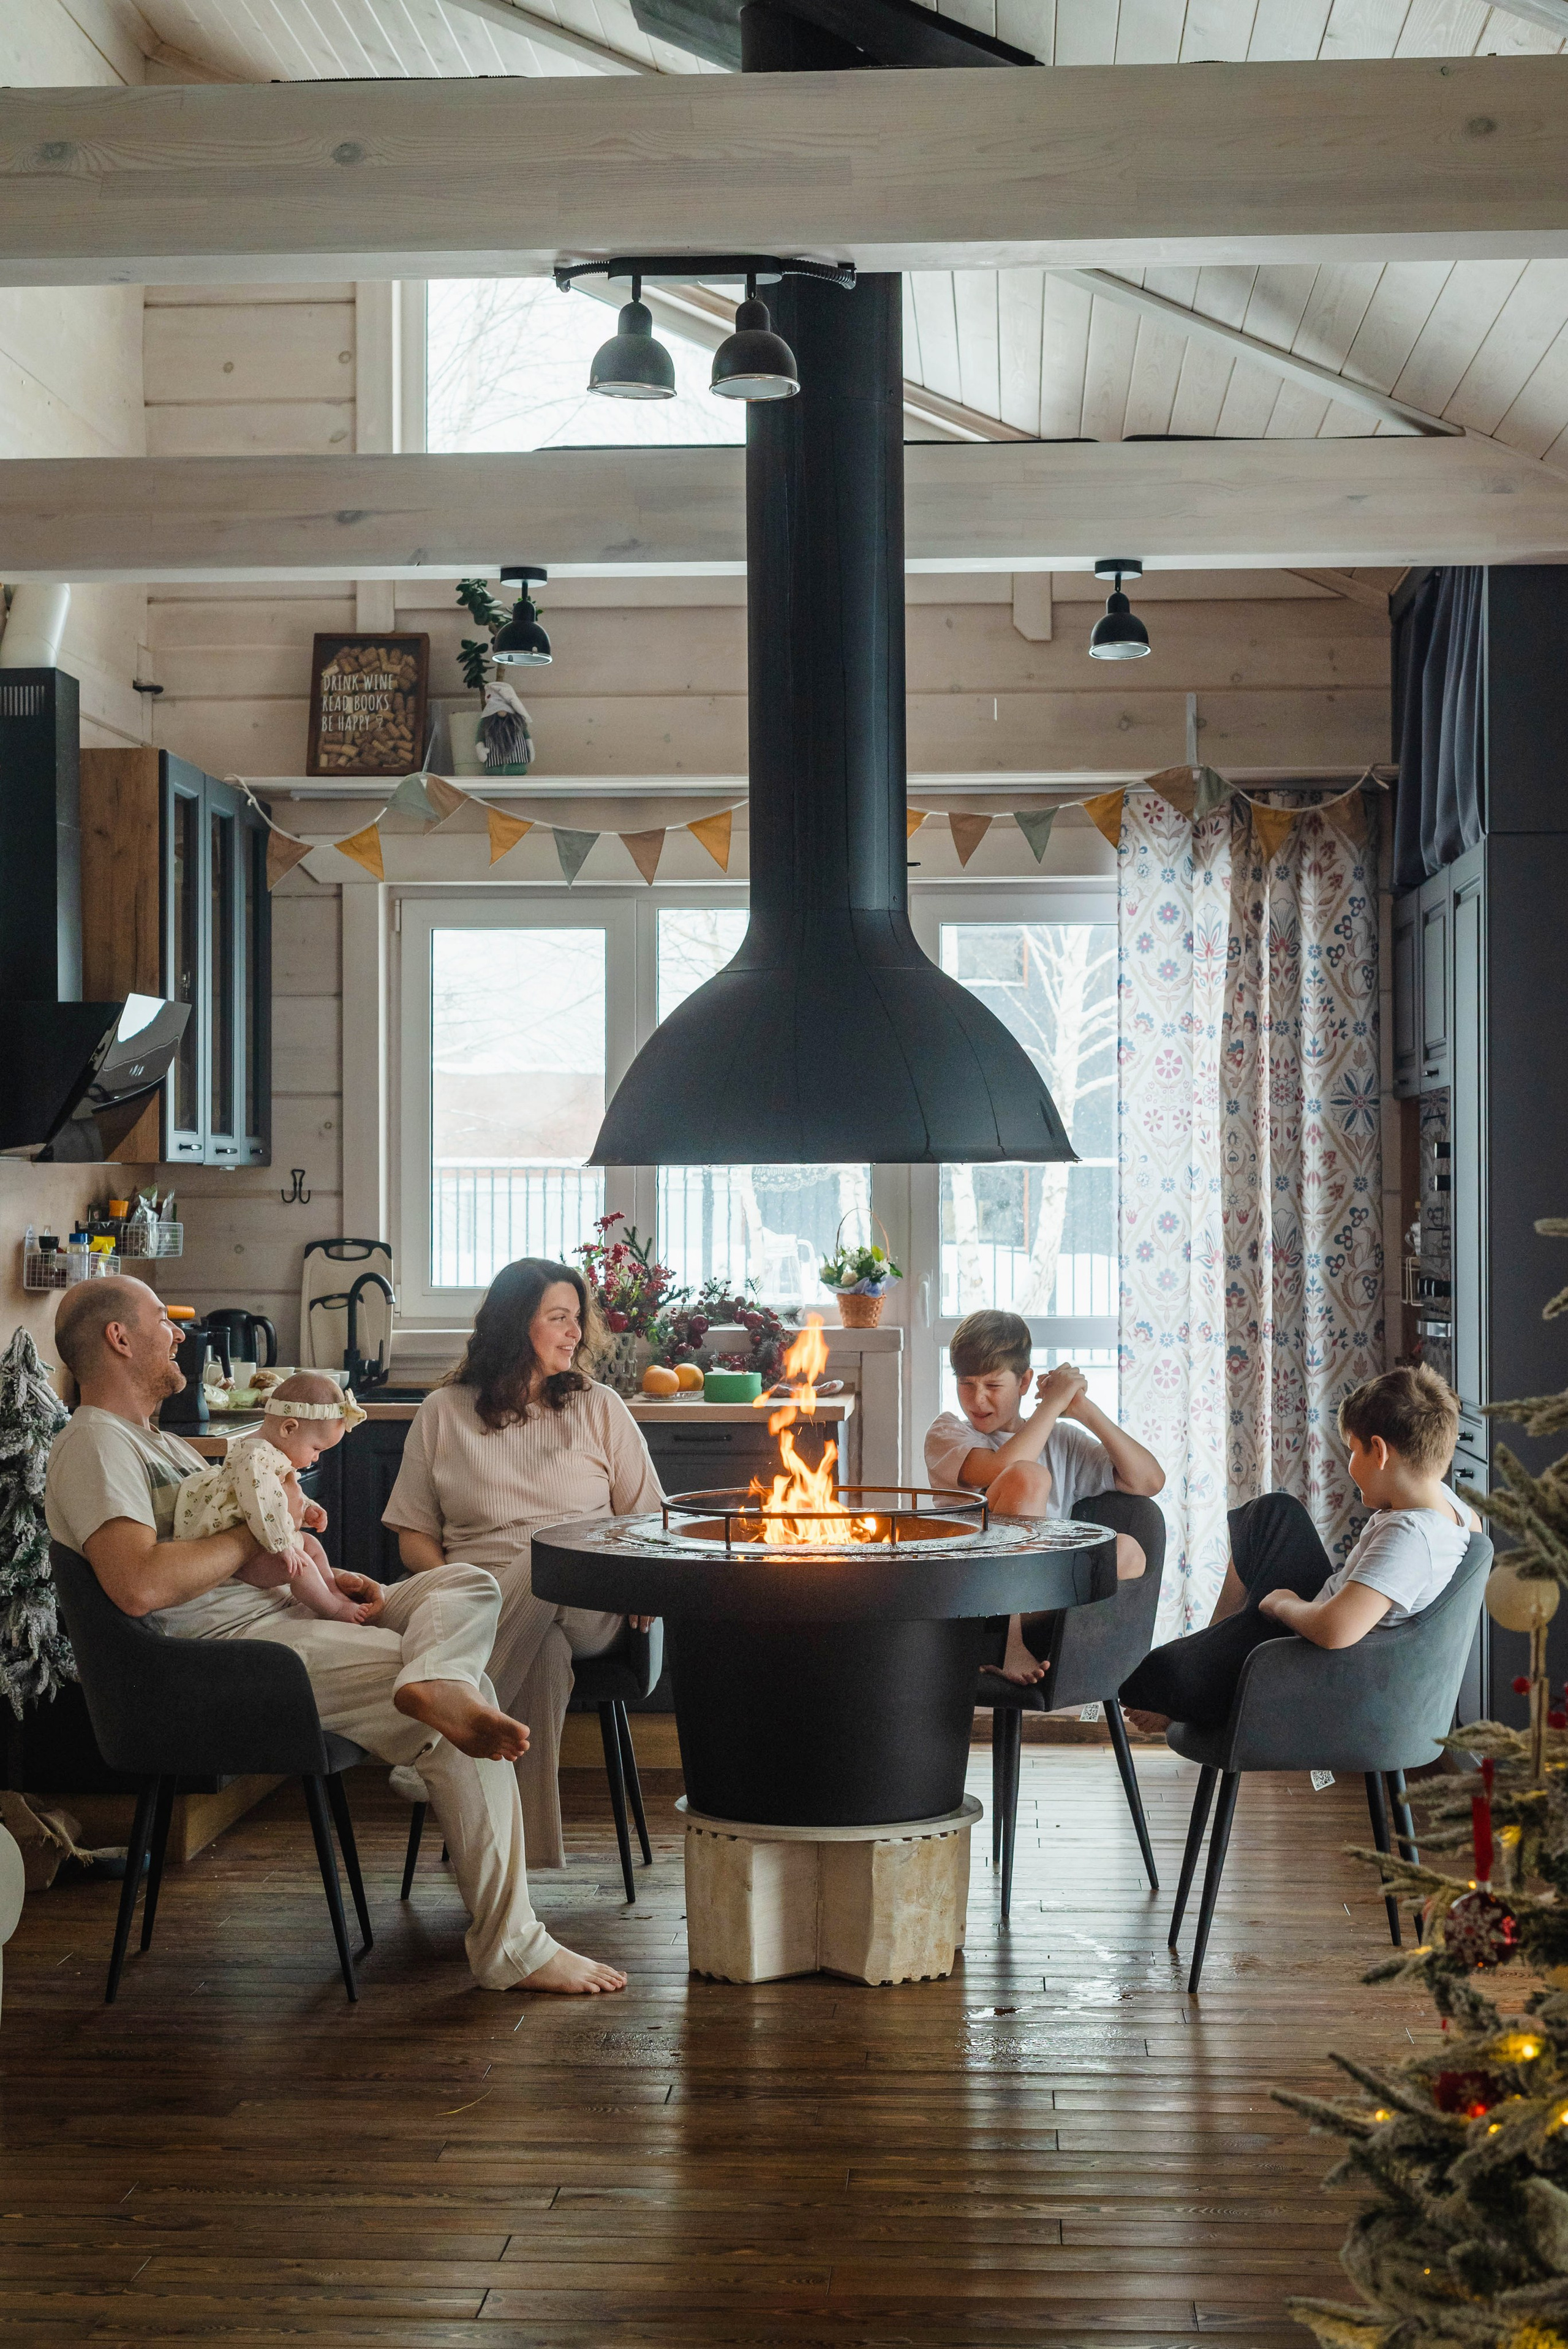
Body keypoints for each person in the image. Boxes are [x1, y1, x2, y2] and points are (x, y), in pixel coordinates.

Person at [43, 1275, 626, 1997]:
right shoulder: (95, 1444)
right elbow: (139, 1585)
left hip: (281, 1618)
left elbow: (233, 1563)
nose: (180, 1333)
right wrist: (254, 1536)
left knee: (465, 1584)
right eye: (163, 1319)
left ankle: (434, 1679)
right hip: (235, 1658)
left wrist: (325, 1579)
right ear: (119, 1339)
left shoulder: (159, 1444)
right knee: (466, 1700)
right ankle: (513, 1944)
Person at [383, 1257, 663, 1871]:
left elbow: (648, 1517)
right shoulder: (443, 1411)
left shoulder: (600, 1406)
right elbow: (414, 1536)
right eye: (558, 1318)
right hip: (475, 1604)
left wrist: (644, 1578)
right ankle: (514, 1877)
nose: (575, 1334)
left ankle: (433, 1735)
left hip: (592, 1601)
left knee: (550, 1559)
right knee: (543, 1654)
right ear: (516, 1326)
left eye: (576, 1320)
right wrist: (445, 1589)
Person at [1119, 1363, 1481, 1735]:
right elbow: (1476, 1532)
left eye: (1353, 1451)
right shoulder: (1449, 1508)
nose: (1350, 1463)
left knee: (1154, 1678)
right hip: (1317, 1618)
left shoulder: (1408, 1538)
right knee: (1274, 1512)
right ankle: (1216, 1650)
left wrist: (1282, 1604)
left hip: (1313, 1658)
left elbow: (1335, 1630)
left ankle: (1208, 1678)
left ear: (1379, 1452)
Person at [924, 1310, 1165, 1686]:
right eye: (966, 1383)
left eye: (993, 1385)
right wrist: (1051, 1405)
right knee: (1028, 1477)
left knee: (1128, 1550)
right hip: (978, 1603)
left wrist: (1082, 1407)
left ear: (1024, 1382)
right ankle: (1007, 1643)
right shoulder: (948, 1433)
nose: (978, 1398)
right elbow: (1006, 1466)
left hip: (1048, 1602)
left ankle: (1056, 1645)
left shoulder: (1061, 1442)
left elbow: (1149, 1480)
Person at [174, 1372, 372, 1623]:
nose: (316, 1459)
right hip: (240, 1557)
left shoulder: (269, 1454)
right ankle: (332, 1609)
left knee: (312, 1546)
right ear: (289, 1428)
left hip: (260, 1538)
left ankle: (331, 1589)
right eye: (316, 1449)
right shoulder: (256, 1458)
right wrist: (283, 1544)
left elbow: (276, 1496)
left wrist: (306, 1508)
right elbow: (260, 1503)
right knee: (300, 1566)